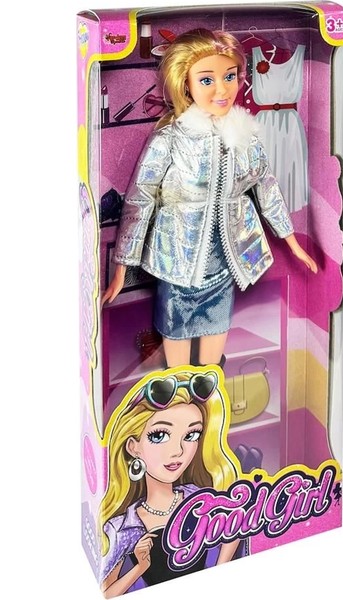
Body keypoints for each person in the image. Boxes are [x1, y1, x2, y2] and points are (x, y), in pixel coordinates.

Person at [102, 28, 318, 368]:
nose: (222, 89)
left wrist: (292, 242)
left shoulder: (245, 138)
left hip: (226, 264)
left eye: (230, 76)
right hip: (176, 262)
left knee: (211, 363)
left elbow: (266, 187)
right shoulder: (171, 138)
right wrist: (121, 267)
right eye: (207, 80)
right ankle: (178, 395)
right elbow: (140, 198)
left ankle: (209, 398)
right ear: (185, 83)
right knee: (177, 363)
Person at [99, 369, 246, 596]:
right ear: (133, 447)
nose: (178, 451)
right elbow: (107, 593)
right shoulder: (122, 527)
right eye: (159, 435)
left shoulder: (199, 498)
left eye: (191, 435)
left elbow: (235, 527)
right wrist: (139, 568)